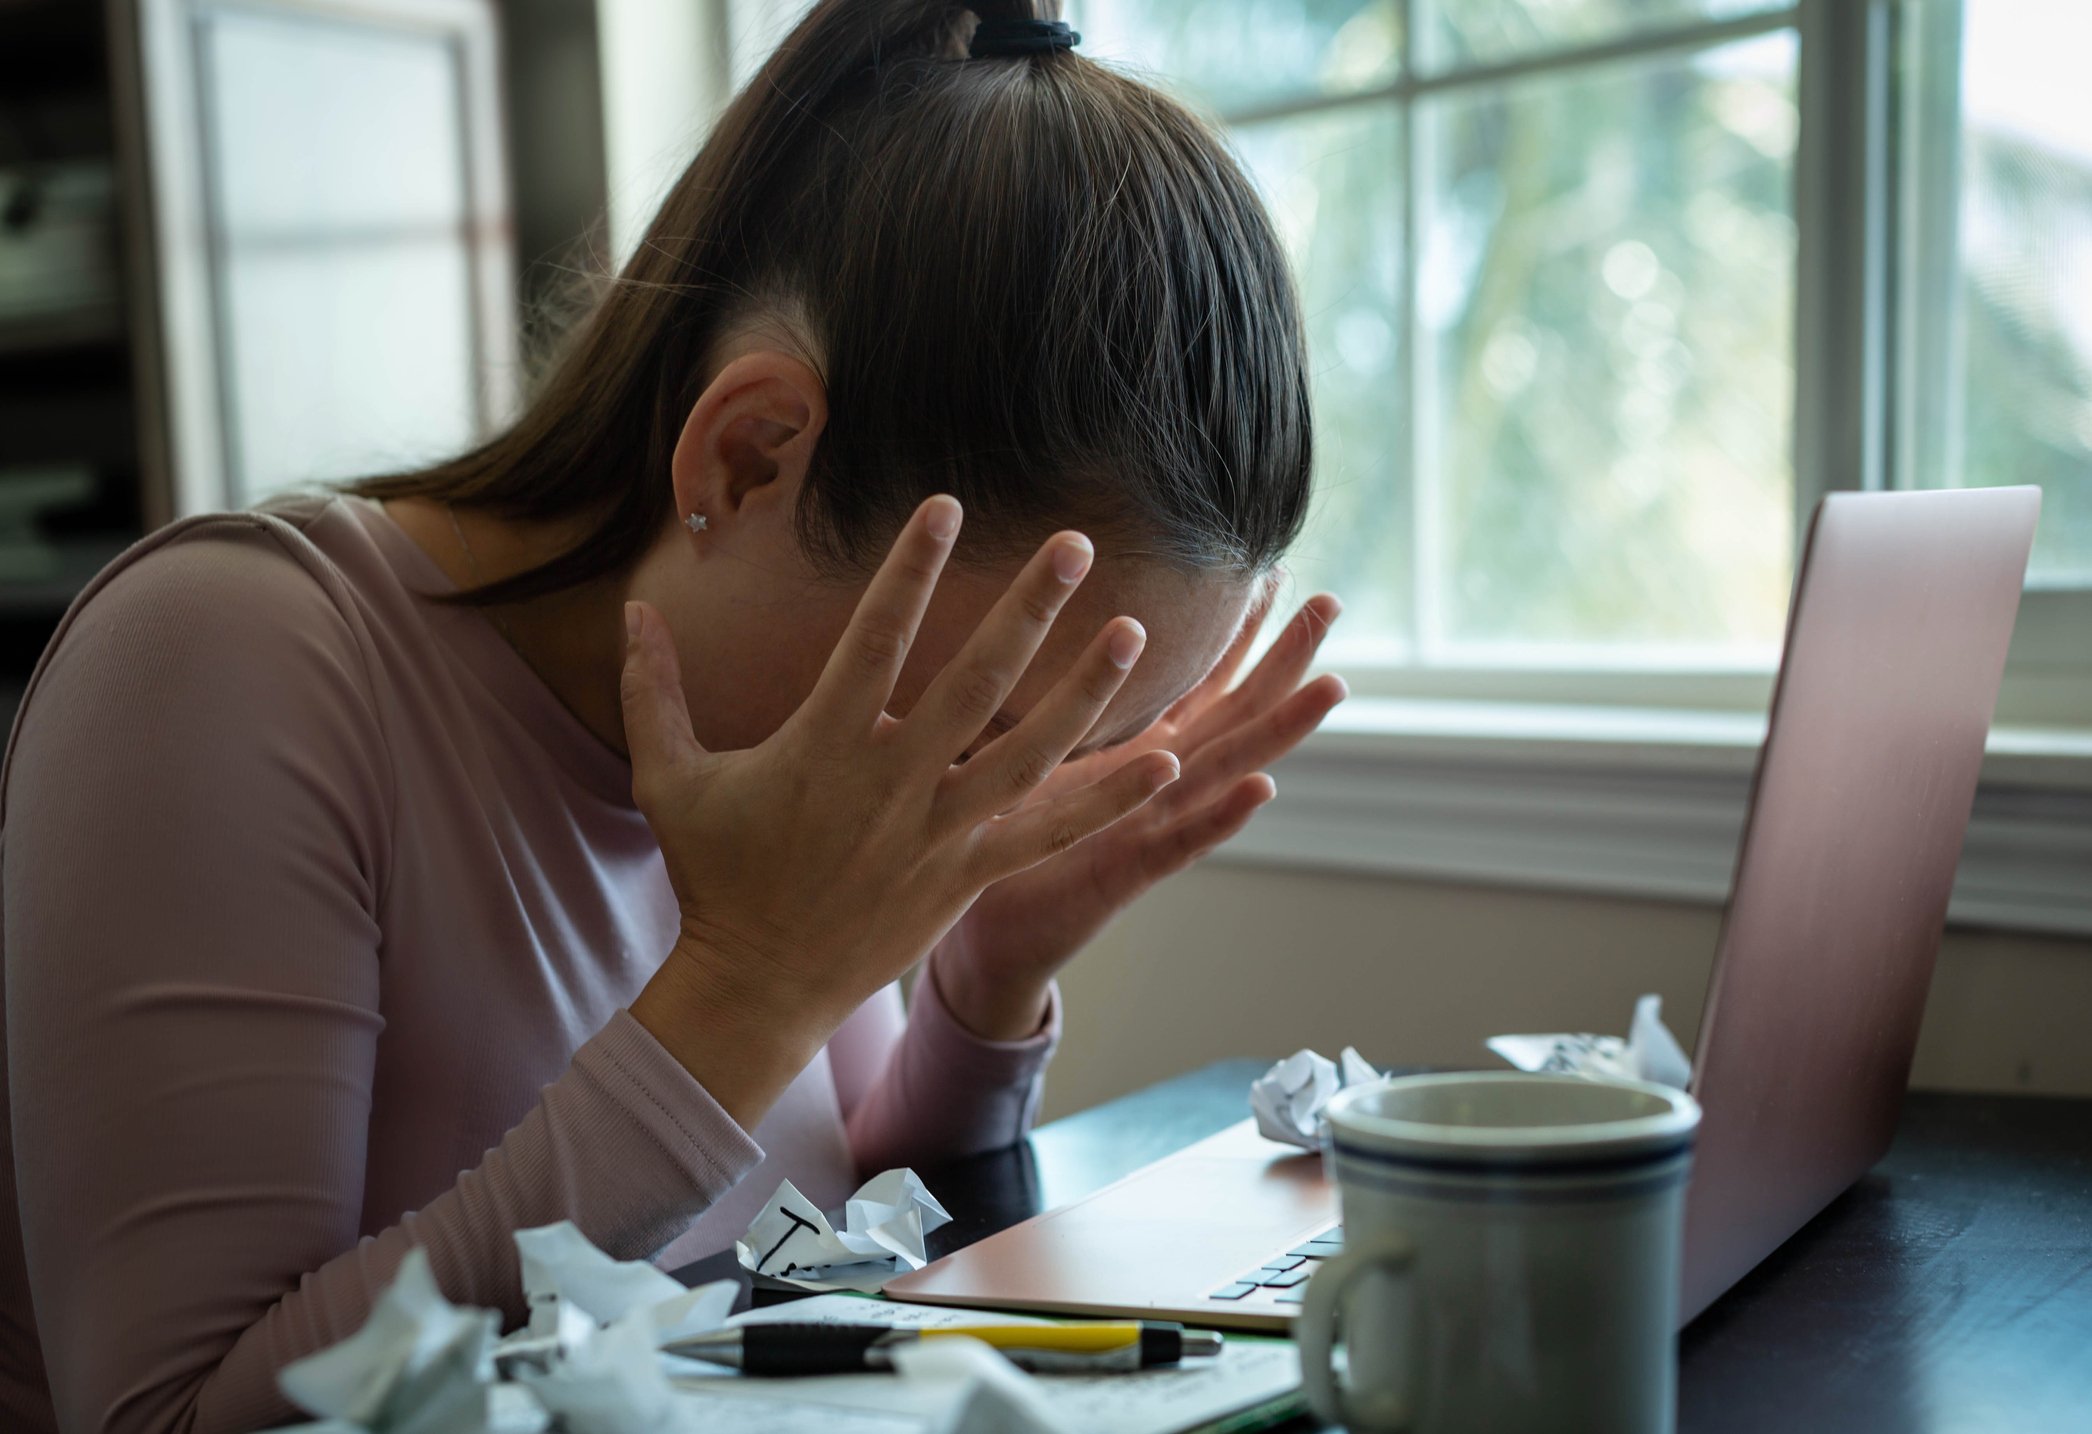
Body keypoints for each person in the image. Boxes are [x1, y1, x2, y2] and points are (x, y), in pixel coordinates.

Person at [0, 3, 1346, 1430]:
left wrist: (989, 968)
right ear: (750, 456)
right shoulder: (229, 653)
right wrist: (747, 983)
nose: (987, 788)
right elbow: (177, 1412)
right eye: (986, 714)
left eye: (1057, 743)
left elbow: (813, 1203)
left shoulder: (758, 734)